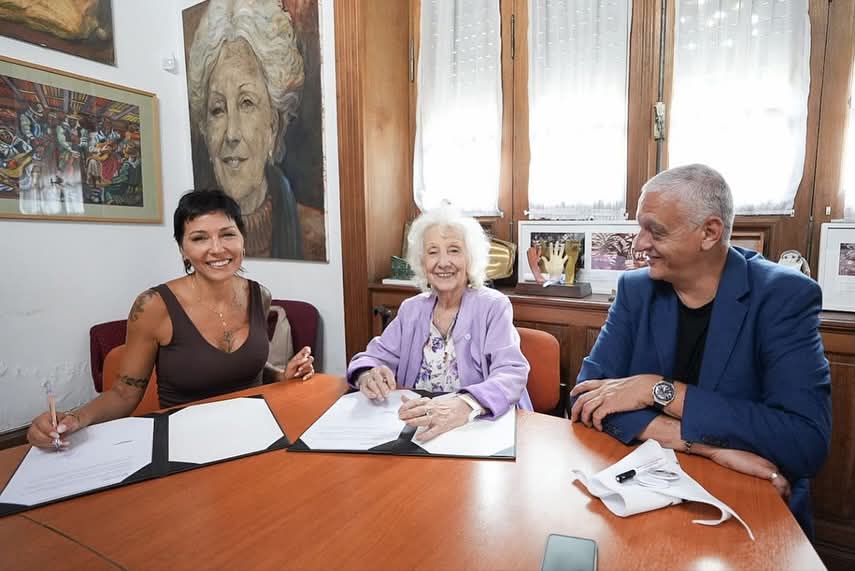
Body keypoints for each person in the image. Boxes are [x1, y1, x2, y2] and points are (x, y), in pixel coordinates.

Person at [569, 164, 831, 535]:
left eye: (655, 231)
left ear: (710, 232)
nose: (639, 244)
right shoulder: (635, 290)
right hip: (646, 494)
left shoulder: (783, 296)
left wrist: (656, 389)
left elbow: (804, 443)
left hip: (751, 505)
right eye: (640, 227)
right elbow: (584, 400)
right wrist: (705, 447)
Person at [27, 190, 315, 449]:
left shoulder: (259, 295)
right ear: (182, 250)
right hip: (185, 445)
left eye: (227, 234)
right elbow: (124, 393)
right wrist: (75, 418)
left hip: (255, 436)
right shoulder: (153, 306)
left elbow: (247, 366)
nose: (217, 248)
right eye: (199, 238)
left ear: (242, 240)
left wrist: (280, 374)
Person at [347, 205, 533, 443]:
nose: (443, 262)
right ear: (422, 262)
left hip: (477, 429)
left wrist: (465, 405)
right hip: (419, 430)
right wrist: (367, 374)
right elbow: (373, 357)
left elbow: (511, 373)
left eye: (454, 250)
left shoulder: (493, 306)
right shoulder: (411, 309)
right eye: (433, 252)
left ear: (470, 258)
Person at [187, 0, 304, 260]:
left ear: (273, 125)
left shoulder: (312, 233)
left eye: (247, 102)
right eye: (217, 109)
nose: (231, 134)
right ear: (205, 130)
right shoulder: (193, 237)